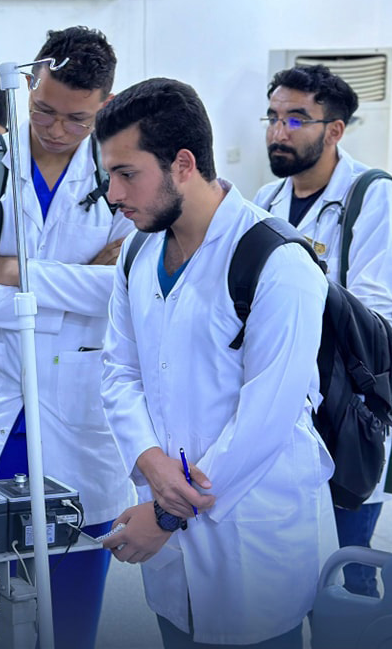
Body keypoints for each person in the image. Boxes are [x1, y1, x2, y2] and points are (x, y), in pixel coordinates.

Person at [98, 77, 338, 647]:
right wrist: (148, 459)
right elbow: (119, 371)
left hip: (250, 536)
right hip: (167, 530)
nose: (112, 194)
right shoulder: (138, 252)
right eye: (108, 175)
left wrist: (166, 515)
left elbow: (266, 419)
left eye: (127, 174)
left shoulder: (278, 262)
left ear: (183, 164)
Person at [0, 26, 133, 649]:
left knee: (70, 616)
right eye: (44, 110)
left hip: (82, 410)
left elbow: (125, 288)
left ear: (104, 104)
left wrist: (15, 274)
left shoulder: (121, 170)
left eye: (78, 118)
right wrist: (79, 287)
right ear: (26, 84)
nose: (57, 129)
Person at [254, 64, 392, 598]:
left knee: (347, 570)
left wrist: (294, 298)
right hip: (286, 401)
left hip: (347, 409)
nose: (279, 131)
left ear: (335, 129)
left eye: (296, 119)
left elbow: (375, 314)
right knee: (292, 574)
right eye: (273, 117)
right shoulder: (266, 200)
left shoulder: (371, 193)